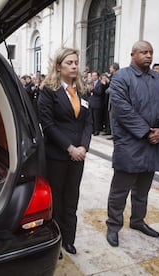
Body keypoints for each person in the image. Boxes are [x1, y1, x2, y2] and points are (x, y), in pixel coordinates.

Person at [105, 41, 159, 247]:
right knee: (120, 190)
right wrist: (146, 132)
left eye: (151, 52)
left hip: (154, 143)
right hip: (131, 144)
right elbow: (122, 109)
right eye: (143, 52)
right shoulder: (121, 77)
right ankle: (113, 226)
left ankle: (137, 221)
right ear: (132, 54)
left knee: (143, 189)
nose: (148, 56)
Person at [37, 47, 92, 256]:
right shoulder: (49, 91)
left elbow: (88, 123)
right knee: (56, 200)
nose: (74, 66)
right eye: (69, 63)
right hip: (58, 155)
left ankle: (69, 239)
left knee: (72, 198)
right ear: (59, 66)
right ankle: (54, 242)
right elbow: (48, 124)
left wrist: (83, 148)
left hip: (78, 156)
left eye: (76, 62)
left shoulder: (83, 91)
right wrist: (70, 148)